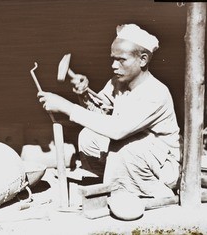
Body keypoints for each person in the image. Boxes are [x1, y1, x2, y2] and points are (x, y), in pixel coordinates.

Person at [38, 24, 181, 198]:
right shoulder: (117, 82)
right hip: (136, 152)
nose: (114, 65)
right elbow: (100, 114)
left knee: (123, 147)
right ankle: (114, 180)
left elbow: (118, 130)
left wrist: (66, 107)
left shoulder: (155, 92)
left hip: (163, 166)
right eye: (113, 59)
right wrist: (84, 95)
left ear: (143, 60)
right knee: (88, 136)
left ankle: (152, 191)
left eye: (121, 60)